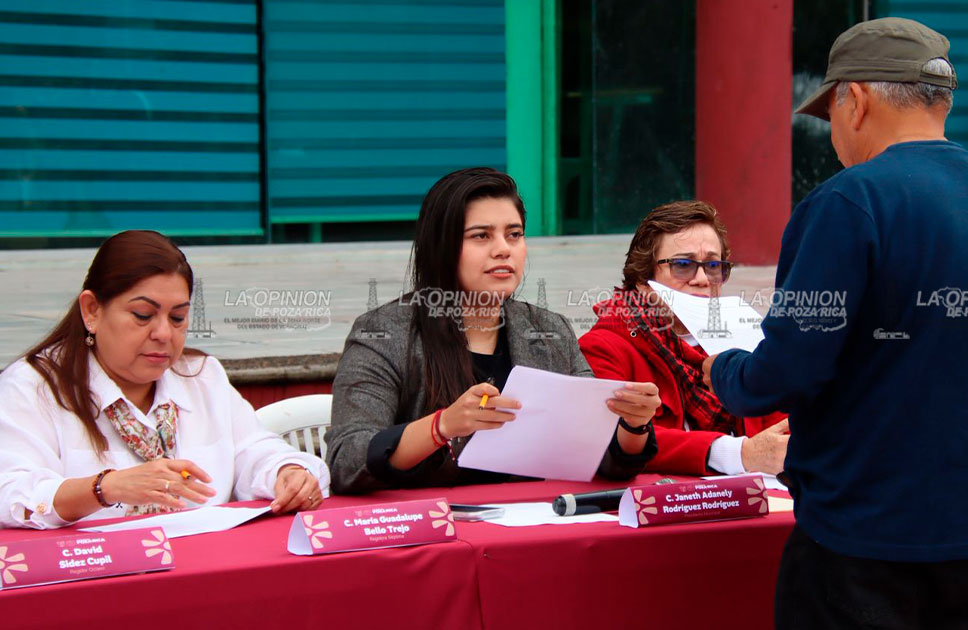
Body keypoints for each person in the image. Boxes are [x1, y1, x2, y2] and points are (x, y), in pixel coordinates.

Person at [703, 18, 968, 629]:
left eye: (832, 112)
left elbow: (787, 372)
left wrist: (723, 368)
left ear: (856, 101)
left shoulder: (849, 201)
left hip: (867, 537)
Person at [325, 167, 660, 493]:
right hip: (431, 531)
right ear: (442, 245)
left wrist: (633, 423)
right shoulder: (385, 334)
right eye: (481, 235)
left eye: (514, 234)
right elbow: (347, 461)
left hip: (535, 524)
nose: (504, 249)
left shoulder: (549, 331)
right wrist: (440, 426)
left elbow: (603, 460)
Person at [0, 230, 329, 529]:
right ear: (92, 311)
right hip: (87, 578)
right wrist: (104, 488)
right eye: (143, 316)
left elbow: (254, 452)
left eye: (178, 318)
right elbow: (13, 495)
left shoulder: (200, 376)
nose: (163, 334)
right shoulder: (34, 387)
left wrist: (287, 473)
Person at [579, 200, 788, 476]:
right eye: (683, 265)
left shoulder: (748, 339)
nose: (703, 279)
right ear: (643, 280)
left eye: (713, 265)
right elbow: (612, 442)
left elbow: (785, 420)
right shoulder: (605, 346)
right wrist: (737, 453)